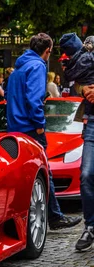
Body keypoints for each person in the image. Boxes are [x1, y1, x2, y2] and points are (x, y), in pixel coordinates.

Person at [6, 33, 81, 231]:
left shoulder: (18, 68)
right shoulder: (37, 66)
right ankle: (55, 217)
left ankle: (33, 218)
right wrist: (39, 124)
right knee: (44, 172)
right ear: (47, 51)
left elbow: (9, 95)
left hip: (15, 128)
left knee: (23, 175)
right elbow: (34, 99)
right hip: (31, 128)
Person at [59, 33, 94, 250]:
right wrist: (84, 88)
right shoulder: (86, 55)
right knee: (87, 174)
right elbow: (73, 79)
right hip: (92, 123)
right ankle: (90, 226)